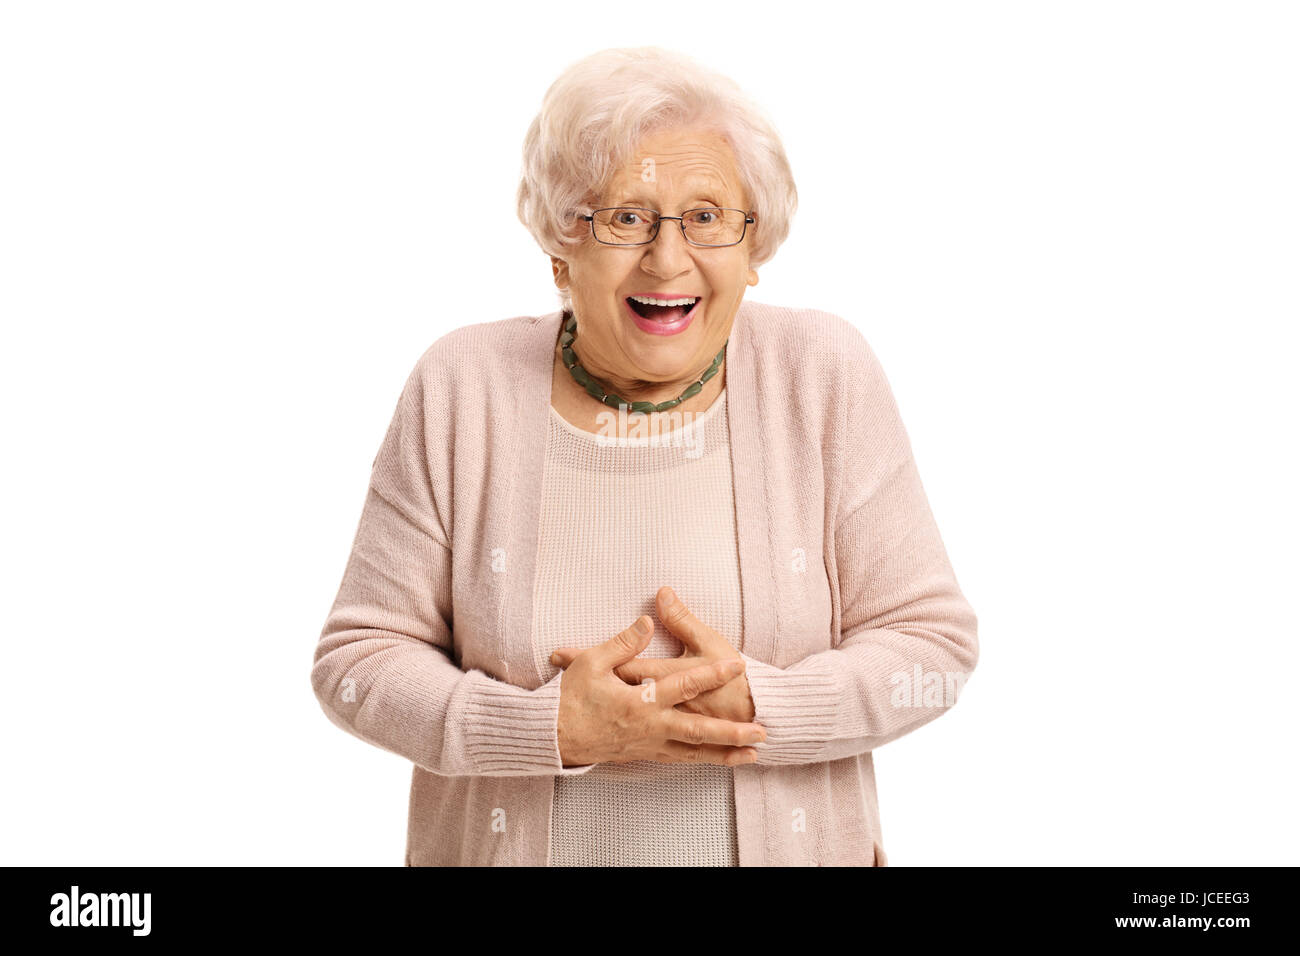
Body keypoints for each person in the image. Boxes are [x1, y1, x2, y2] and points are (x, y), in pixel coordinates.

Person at [312, 45, 978, 866]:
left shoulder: (824, 374)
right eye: (626, 217)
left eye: (707, 217)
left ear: (752, 247)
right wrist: (547, 726)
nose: (668, 259)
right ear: (562, 245)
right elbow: (359, 662)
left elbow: (933, 647)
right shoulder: (462, 386)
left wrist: (760, 703)